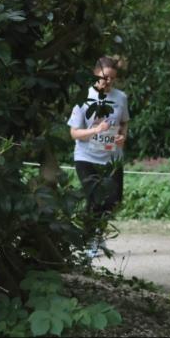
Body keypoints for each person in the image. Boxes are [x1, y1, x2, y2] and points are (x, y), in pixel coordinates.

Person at [68, 56, 130, 258]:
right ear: (95, 74)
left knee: (113, 200)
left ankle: (97, 232)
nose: (109, 82)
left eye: (113, 78)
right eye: (105, 77)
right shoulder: (84, 98)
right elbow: (74, 133)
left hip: (112, 158)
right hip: (86, 157)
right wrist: (95, 131)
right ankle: (90, 240)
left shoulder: (121, 98)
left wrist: (122, 136)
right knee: (95, 198)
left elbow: (124, 123)